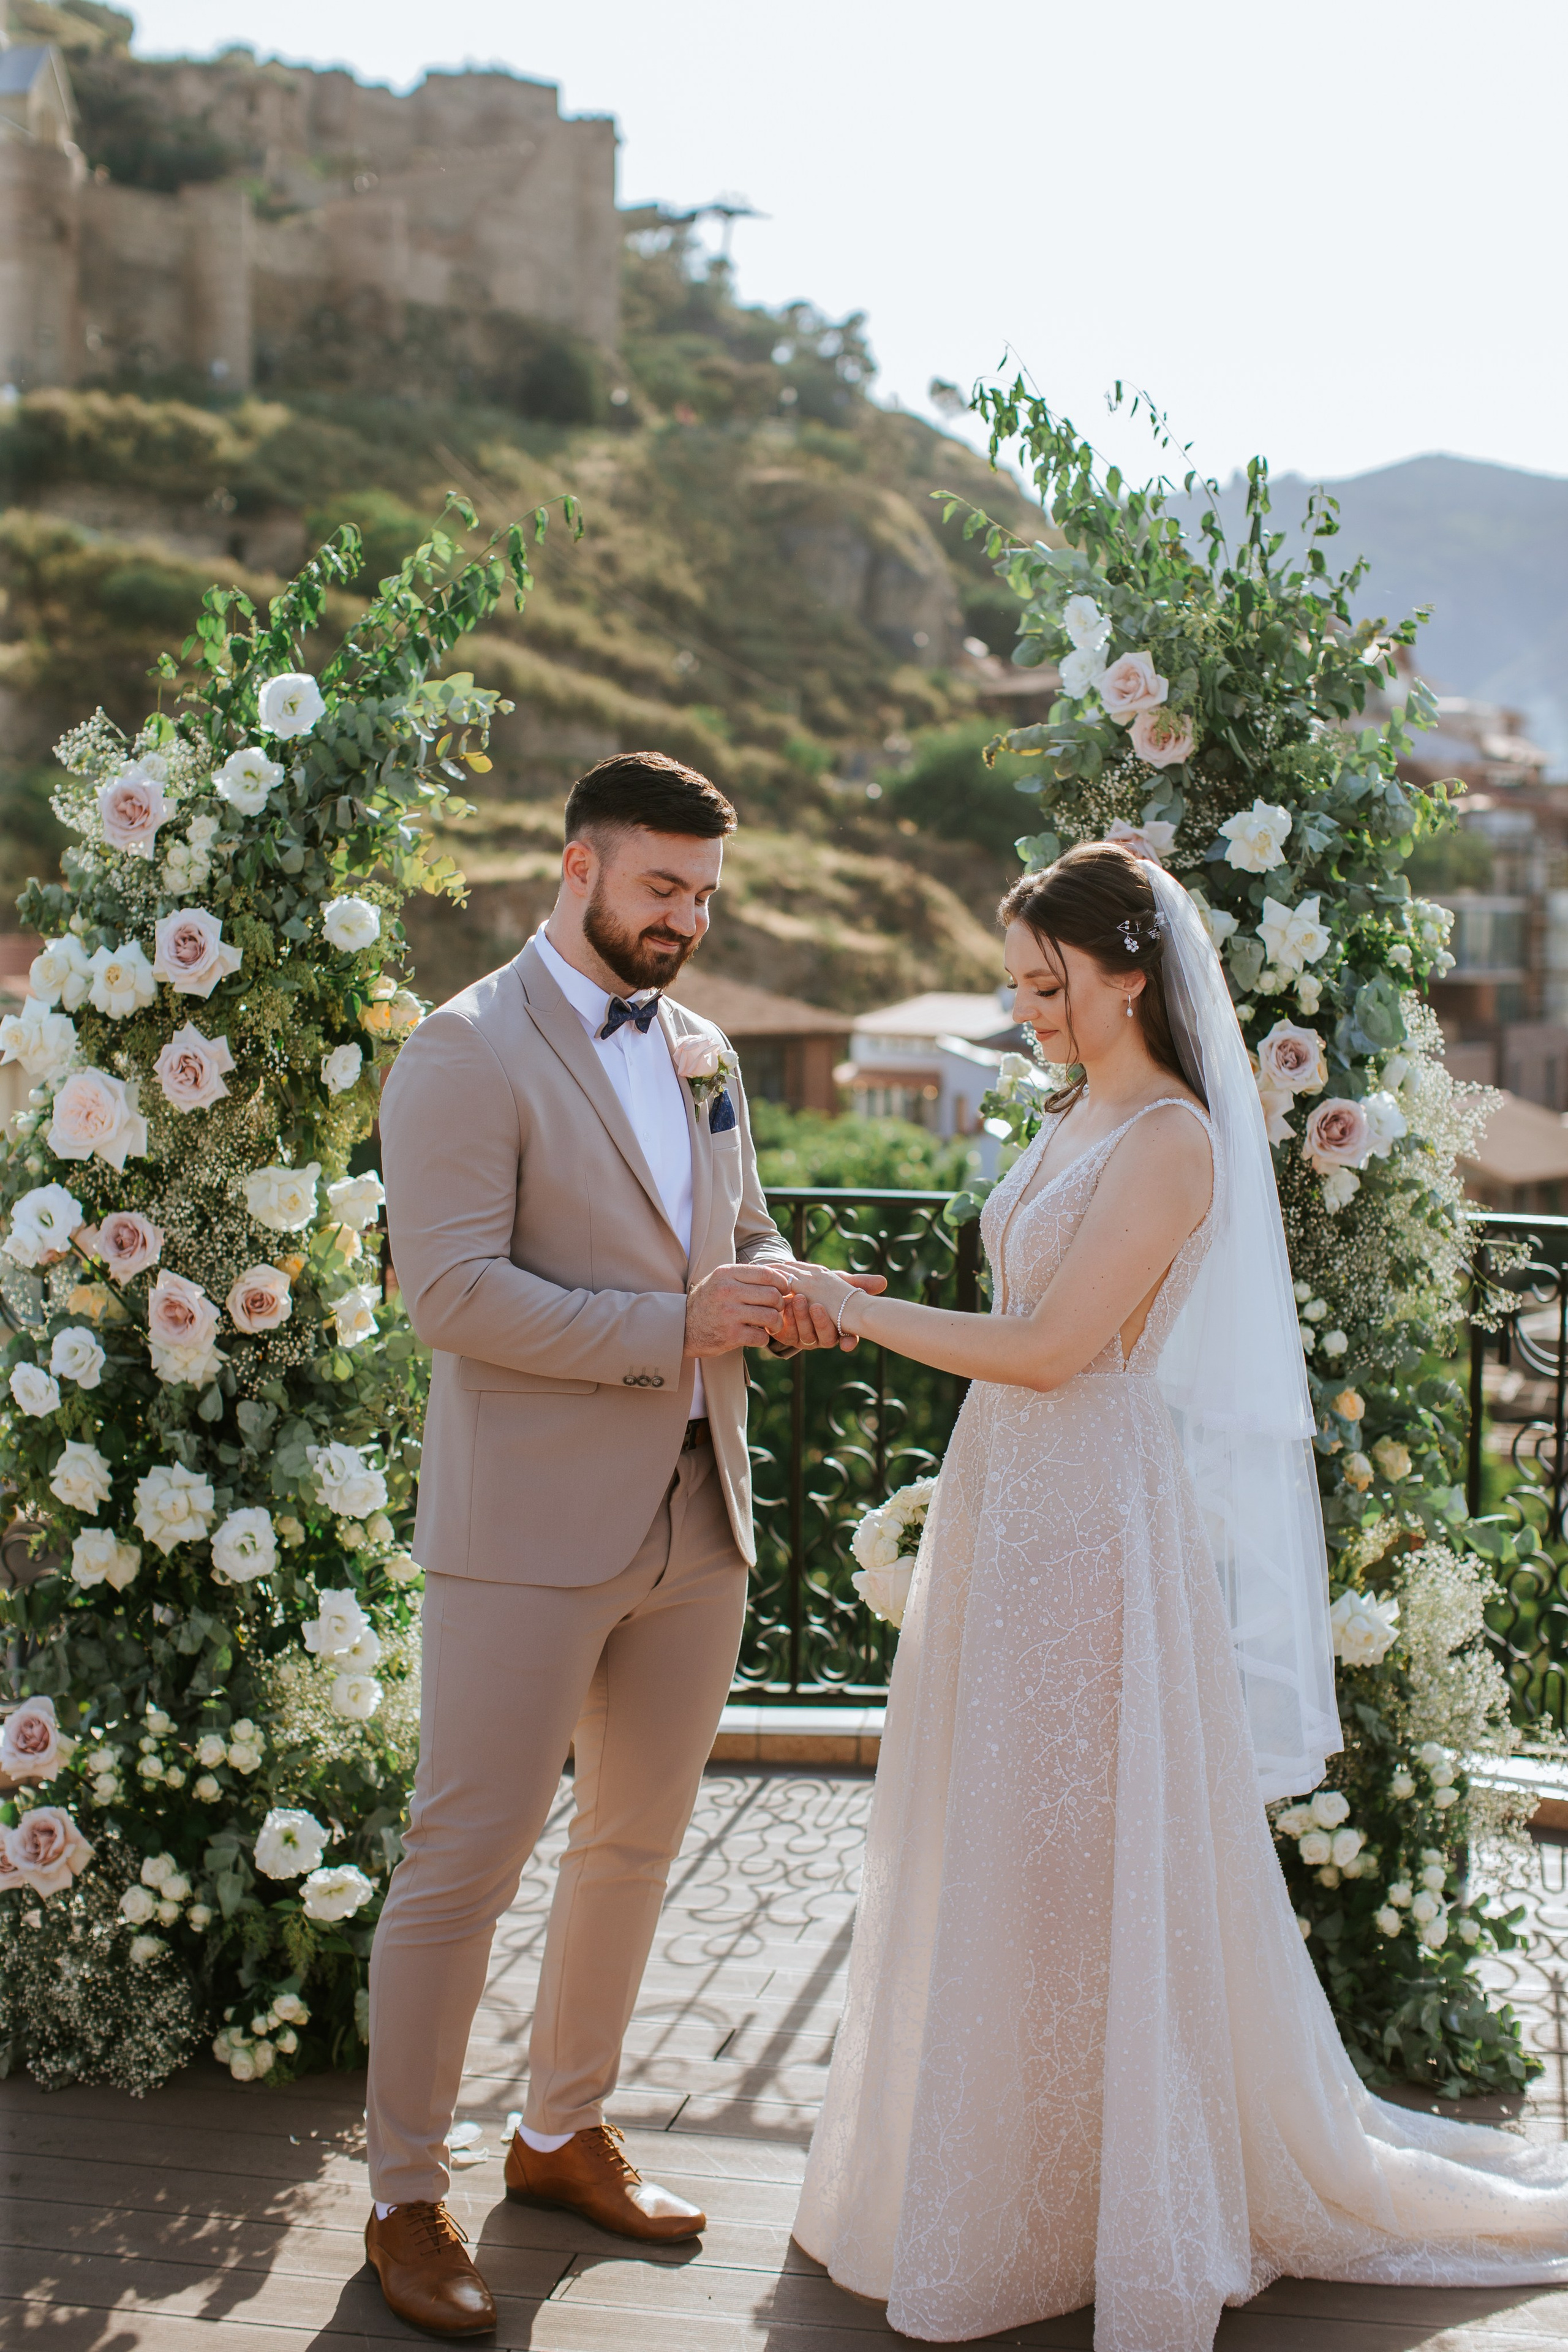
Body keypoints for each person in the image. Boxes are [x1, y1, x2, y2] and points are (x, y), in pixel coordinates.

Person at [785, 840, 1568, 2351]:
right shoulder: (1079, 1113)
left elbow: (1052, 1348)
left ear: (1128, 974)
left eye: (1045, 983)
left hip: (1088, 1514)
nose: (1026, 1011)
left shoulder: (1169, 1145)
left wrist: (856, 1309)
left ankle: (1120, 2200)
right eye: (1017, 984)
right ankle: (1006, 2181)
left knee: (1086, 1842)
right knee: (1004, 1845)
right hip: (1013, 1501)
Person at [363, 751, 879, 2337]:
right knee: (467, 1860)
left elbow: (742, 1230)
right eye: (663, 887)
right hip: (524, 1532)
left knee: (635, 1848)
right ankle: (401, 2196)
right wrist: (673, 1325)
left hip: (698, 1518)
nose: (689, 920)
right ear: (573, 867)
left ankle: (560, 2134)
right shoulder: (462, 1051)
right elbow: (444, 1293)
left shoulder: (707, 1046)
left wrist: (775, 1289)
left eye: (706, 894)